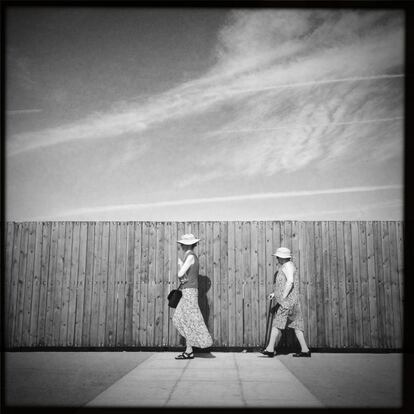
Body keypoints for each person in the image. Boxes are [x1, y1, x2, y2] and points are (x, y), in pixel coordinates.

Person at [262, 247, 311, 358]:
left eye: (278, 257)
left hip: (287, 302)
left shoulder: (288, 267)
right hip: (294, 301)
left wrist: (282, 297)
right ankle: (305, 350)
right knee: (296, 325)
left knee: (277, 323)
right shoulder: (289, 266)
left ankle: (270, 349)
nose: (277, 259)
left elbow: (290, 282)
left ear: (282, 258)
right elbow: (283, 284)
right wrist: (275, 294)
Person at [172, 233, 213, 359]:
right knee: (182, 319)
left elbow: (180, 274)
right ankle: (189, 349)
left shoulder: (190, 257)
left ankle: (193, 347)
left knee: (185, 319)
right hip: (188, 291)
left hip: (189, 292)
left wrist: (179, 263)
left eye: (182, 244)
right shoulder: (190, 256)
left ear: (184, 245)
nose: (181, 246)